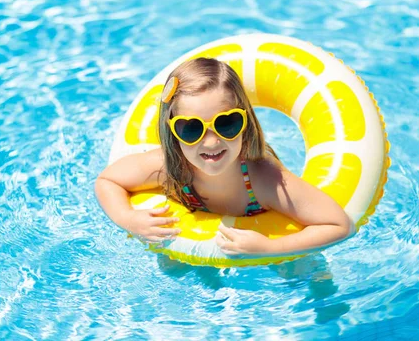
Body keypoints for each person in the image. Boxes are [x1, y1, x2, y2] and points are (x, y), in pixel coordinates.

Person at [95, 57, 353, 256]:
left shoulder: (264, 180)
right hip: (193, 251)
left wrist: (272, 248)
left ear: (246, 122)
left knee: (302, 274)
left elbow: (339, 225)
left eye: (226, 123)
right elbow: (108, 181)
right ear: (173, 132)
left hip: (268, 253)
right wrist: (128, 219)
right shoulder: (166, 167)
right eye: (191, 128)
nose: (211, 141)